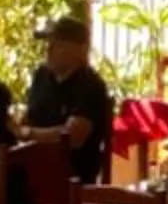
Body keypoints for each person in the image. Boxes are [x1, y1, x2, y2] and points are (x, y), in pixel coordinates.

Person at [23, 16, 113, 185]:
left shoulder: (90, 86)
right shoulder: (41, 77)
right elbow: (28, 117)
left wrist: (28, 134)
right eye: (48, 44)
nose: (48, 50)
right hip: (34, 167)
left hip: (72, 177)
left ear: (80, 50)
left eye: (57, 44)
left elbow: (72, 137)